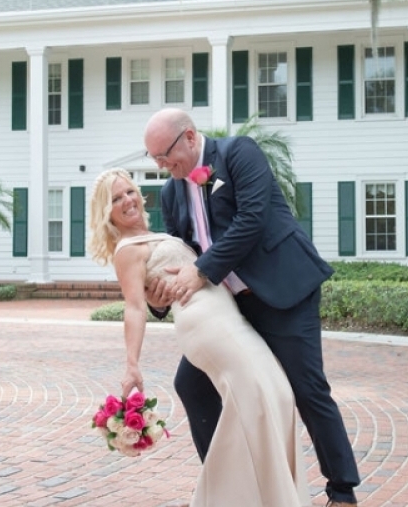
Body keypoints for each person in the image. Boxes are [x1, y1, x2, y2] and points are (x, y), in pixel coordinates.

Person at [142, 108, 361, 507]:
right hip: (230, 309)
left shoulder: (238, 153)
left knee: (306, 387)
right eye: (153, 159)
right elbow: (179, 253)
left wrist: (201, 269)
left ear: (190, 137)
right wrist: (158, 300)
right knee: (191, 384)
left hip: (282, 291)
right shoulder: (173, 193)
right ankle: (229, 485)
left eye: (165, 154)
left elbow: (253, 218)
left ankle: (342, 490)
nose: (161, 165)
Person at [88, 168, 310, 506]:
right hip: (206, 324)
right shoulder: (127, 250)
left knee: (273, 395)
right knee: (264, 397)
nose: (127, 201)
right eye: (116, 199)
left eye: (129, 192)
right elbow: (134, 308)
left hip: (226, 316)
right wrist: (131, 365)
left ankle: (248, 495)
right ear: (107, 213)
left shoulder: (154, 236)